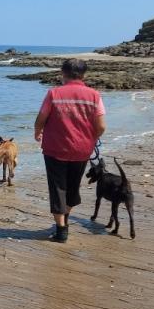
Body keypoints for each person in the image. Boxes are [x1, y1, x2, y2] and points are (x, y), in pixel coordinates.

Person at [33, 59, 106, 243]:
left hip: (55, 148)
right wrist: (92, 139)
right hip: (82, 149)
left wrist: (37, 132)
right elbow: (101, 126)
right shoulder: (94, 95)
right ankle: (64, 220)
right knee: (72, 187)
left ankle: (61, 230)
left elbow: (41, 118)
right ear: (84, 75)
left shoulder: (54, 93)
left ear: (62, 73)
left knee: (58, 188)